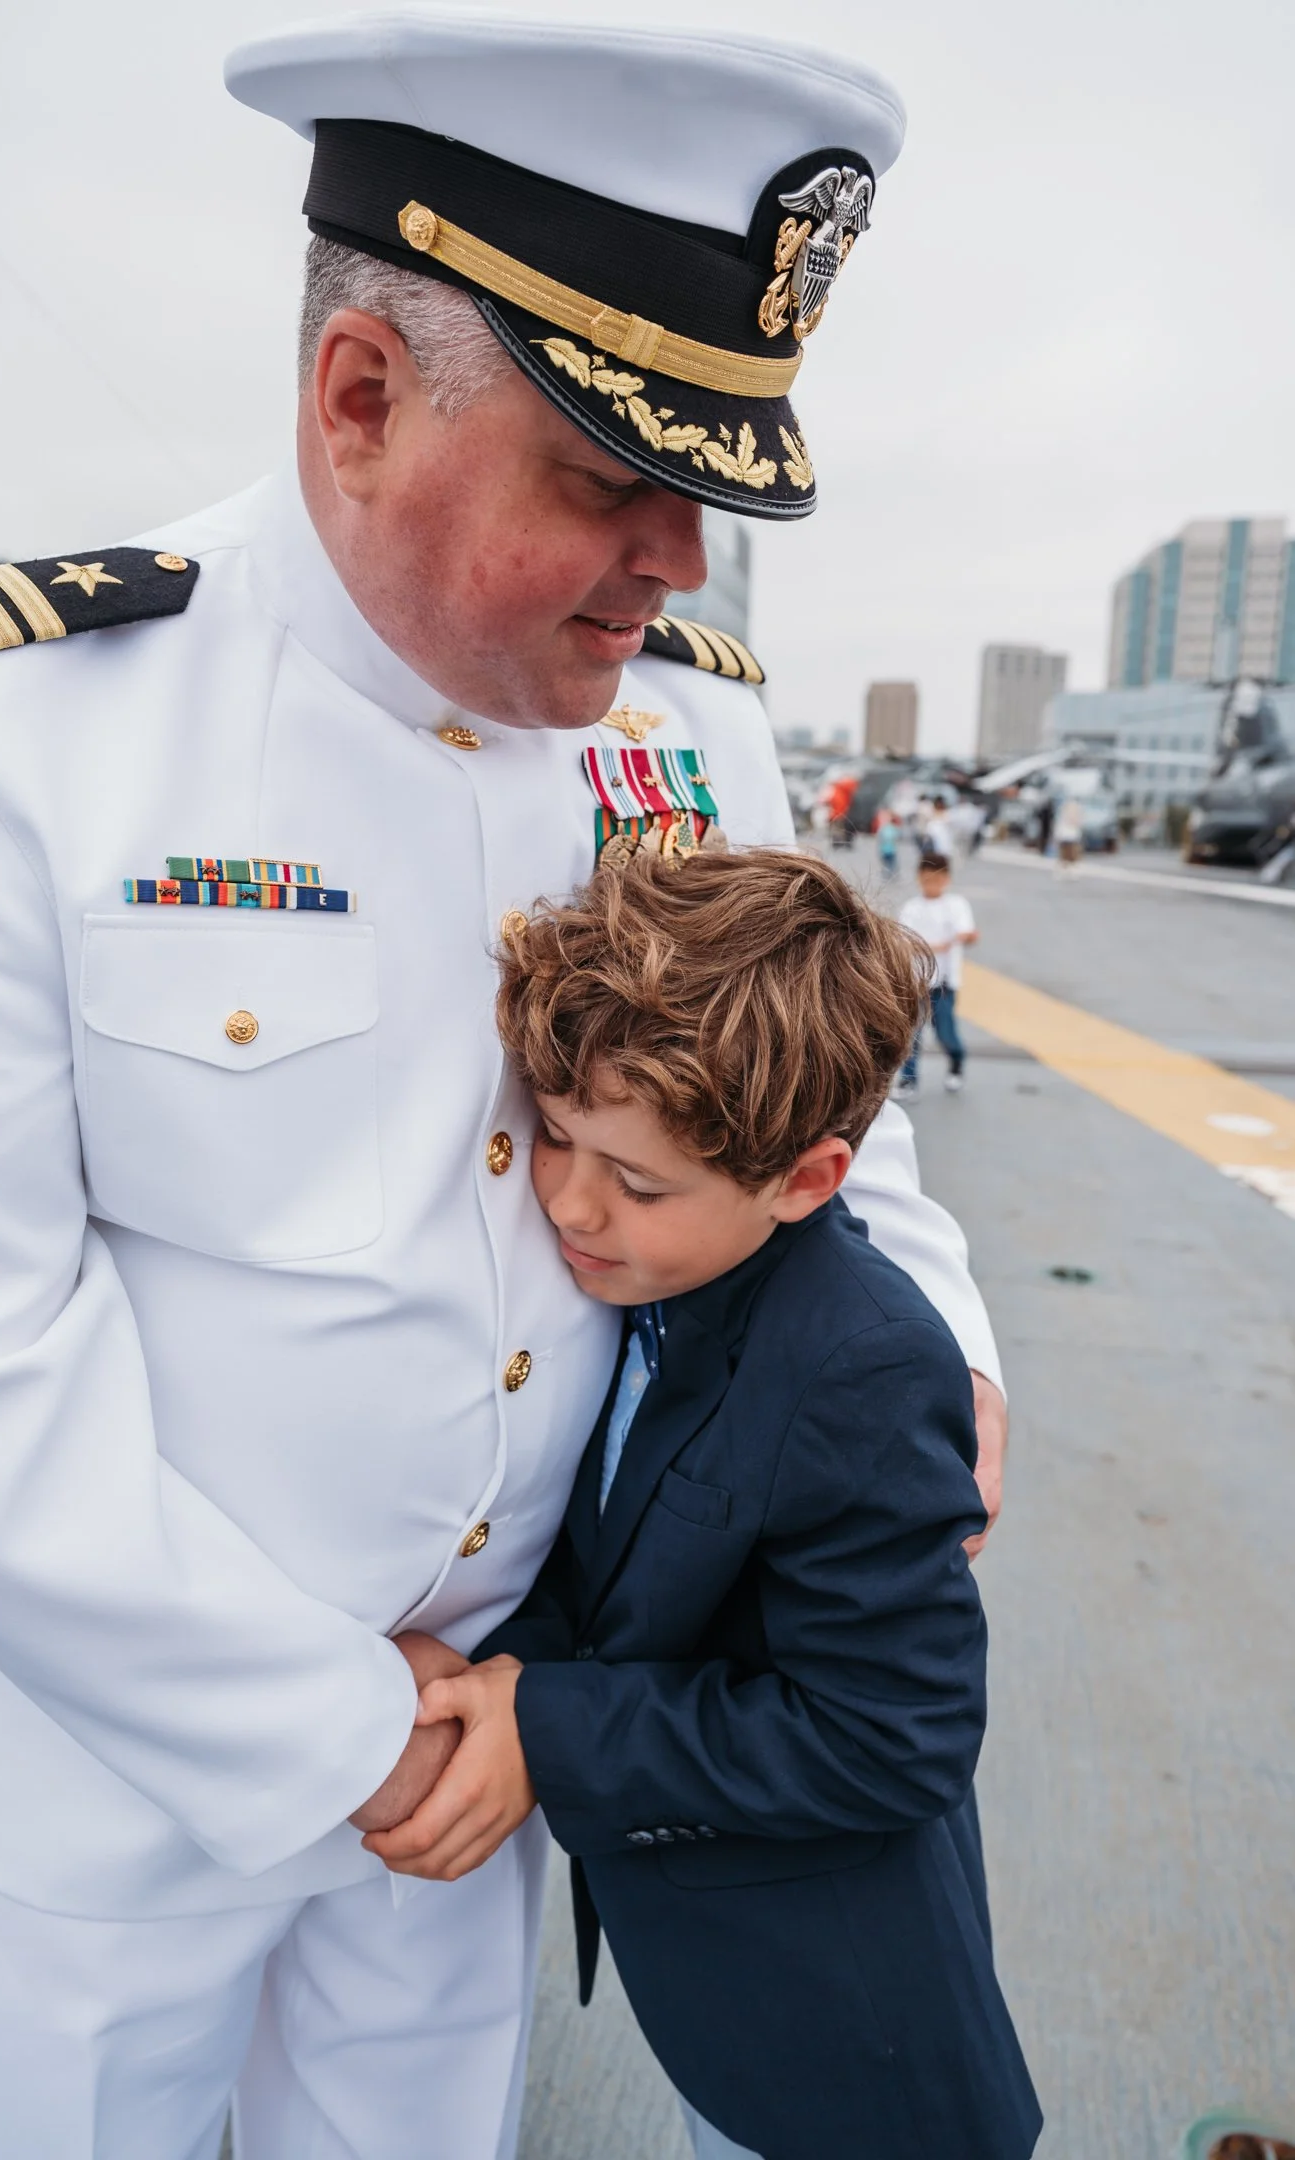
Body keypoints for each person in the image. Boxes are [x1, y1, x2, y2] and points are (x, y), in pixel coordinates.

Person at [0, 16, 1010, 2156]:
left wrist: (928, 1336)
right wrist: (340, 1734)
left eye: (720, 483)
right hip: (111, 1789)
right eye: (609, 473)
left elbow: (839, 1108)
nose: (678, 559)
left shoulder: (696, 732)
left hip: (490, 1754)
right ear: (361, 396)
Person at [377, 850, 1041, 2160]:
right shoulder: (667, 1282)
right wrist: (490, 1671)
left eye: (637, 1183)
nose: (568, 1201)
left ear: (806, 1180)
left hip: (850, 2045)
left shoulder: (857, 1362)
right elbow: (628, 1538)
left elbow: (889, 1737)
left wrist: (546, 1719)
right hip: (722, 2001)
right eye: (556, 1137)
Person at [896, 851, 978, 1097]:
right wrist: (935, 946)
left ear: (946, 879)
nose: (932, 884)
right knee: (912, 1034)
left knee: (945, 1032)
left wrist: (964, 937)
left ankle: (956, 1060)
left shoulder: (956, 905)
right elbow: (902, 941)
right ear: (919, 878)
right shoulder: (911, 908)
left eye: (937, 879)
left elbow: (969, 933)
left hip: (944, 983)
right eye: (927, 879)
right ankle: (908, 1079)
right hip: (916, 983)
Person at [1054, 790, 1085, 870]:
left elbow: (1079, 823)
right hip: (1065, 836)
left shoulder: (1077, 811)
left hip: (1072, 837)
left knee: (1072, 856)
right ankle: (1064, 870)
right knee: (1064, 856)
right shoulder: (1063, 813)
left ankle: (1070, 870)